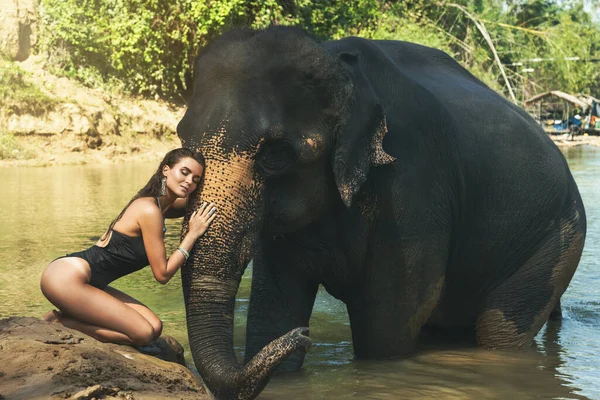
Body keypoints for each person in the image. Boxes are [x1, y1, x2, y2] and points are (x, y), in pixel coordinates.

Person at [40, 148, 217, 346]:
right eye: (184, 172)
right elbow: (162, 274)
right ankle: (60, 321)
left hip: (91, 282)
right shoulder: (150, 209)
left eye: (196, 179)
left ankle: (73, 315)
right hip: (66, 278)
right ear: (166, 169)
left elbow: (198, 203)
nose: (189, 182)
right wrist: (192, 234)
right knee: (143, 334)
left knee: (155, 327)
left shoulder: (162, 205)